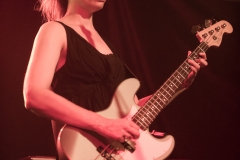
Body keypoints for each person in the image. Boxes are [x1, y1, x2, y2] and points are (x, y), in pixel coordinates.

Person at [23, 0, 208, 159]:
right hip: (84, 151)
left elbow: (132, 112)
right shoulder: (54, 30)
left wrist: (180, 85)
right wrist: (104, 124)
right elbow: (34, 95)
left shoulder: (106, 44)